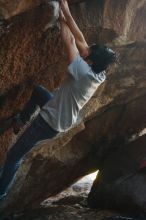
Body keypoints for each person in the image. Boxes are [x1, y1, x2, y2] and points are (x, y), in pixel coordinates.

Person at [0, 0, 117, 200]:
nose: (86, 49)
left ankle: (1, 193)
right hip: (62, 114)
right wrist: (64, 11)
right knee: (38, 92)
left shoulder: (83, 73)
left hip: (49, 122)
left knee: (14, 157)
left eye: (89, 52)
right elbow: (78, 38)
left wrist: (63, 13)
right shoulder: (99, 72)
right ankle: (20, 121)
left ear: (90, 60)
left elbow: (70, 41)